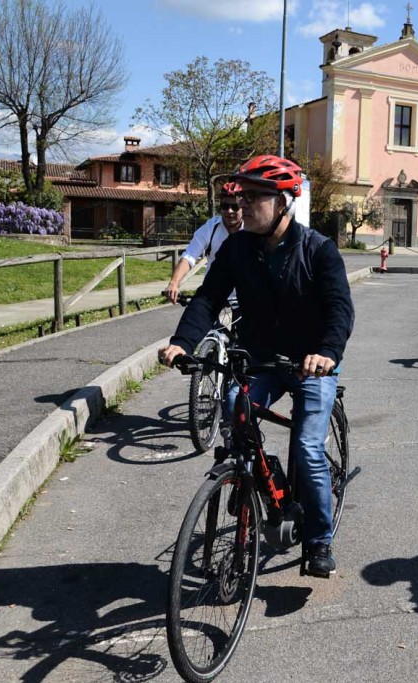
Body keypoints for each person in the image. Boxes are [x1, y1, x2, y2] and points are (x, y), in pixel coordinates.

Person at [160, 154, 355, 577]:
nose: (242, 206)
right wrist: (181, 343)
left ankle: (319, 541)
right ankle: (258, 481)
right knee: (235, 411)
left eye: (254, 198)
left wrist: (327, 352)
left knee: (307, 446)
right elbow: (209, 299)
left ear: (284, 201)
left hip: (310, 364)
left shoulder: (319, 251)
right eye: (242, 197)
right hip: (261, 361)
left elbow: (340, 309)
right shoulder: (237, 250)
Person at [164, 182, 244, 303]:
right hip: (213, 293)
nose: (229, 211)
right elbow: (189, 256)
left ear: (244, 207)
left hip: (244, 297)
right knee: (191, 321)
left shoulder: (252, 229)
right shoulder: (212, 227)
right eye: (225, 206)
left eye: (235, 206)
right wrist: (174, 283)